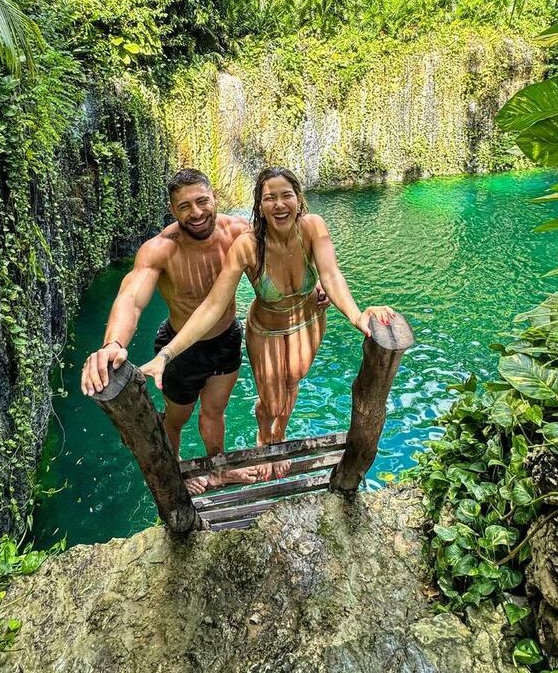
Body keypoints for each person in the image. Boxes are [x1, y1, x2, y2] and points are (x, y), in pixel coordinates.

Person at [139, 166, 394, 478]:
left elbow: (330, 274)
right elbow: (213, 306)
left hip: (308, 320)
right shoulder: (247, 245)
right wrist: (166, 354)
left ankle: (277, 439)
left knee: (292, 383)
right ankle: (264, 439)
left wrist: (357, 315)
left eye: (286, 195)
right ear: (259, 206)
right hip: (267, 330)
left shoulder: (313, 227)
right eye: (269, 198)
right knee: (271, 403)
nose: (279, 204)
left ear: (299, 199)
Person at [79, 168, 324, 492]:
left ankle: (219, 468)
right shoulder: (161, 249)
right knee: (176, 418)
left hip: (226, 339)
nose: (196, 213)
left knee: (214, 412)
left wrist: (317, 282)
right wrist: (113, 344)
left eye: (202, 201)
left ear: (214, 199)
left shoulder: (238, 232)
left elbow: (286, 248)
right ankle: (174, 471)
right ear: (172, 209)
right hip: (182, 348)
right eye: (185, 206)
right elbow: (131, 299)